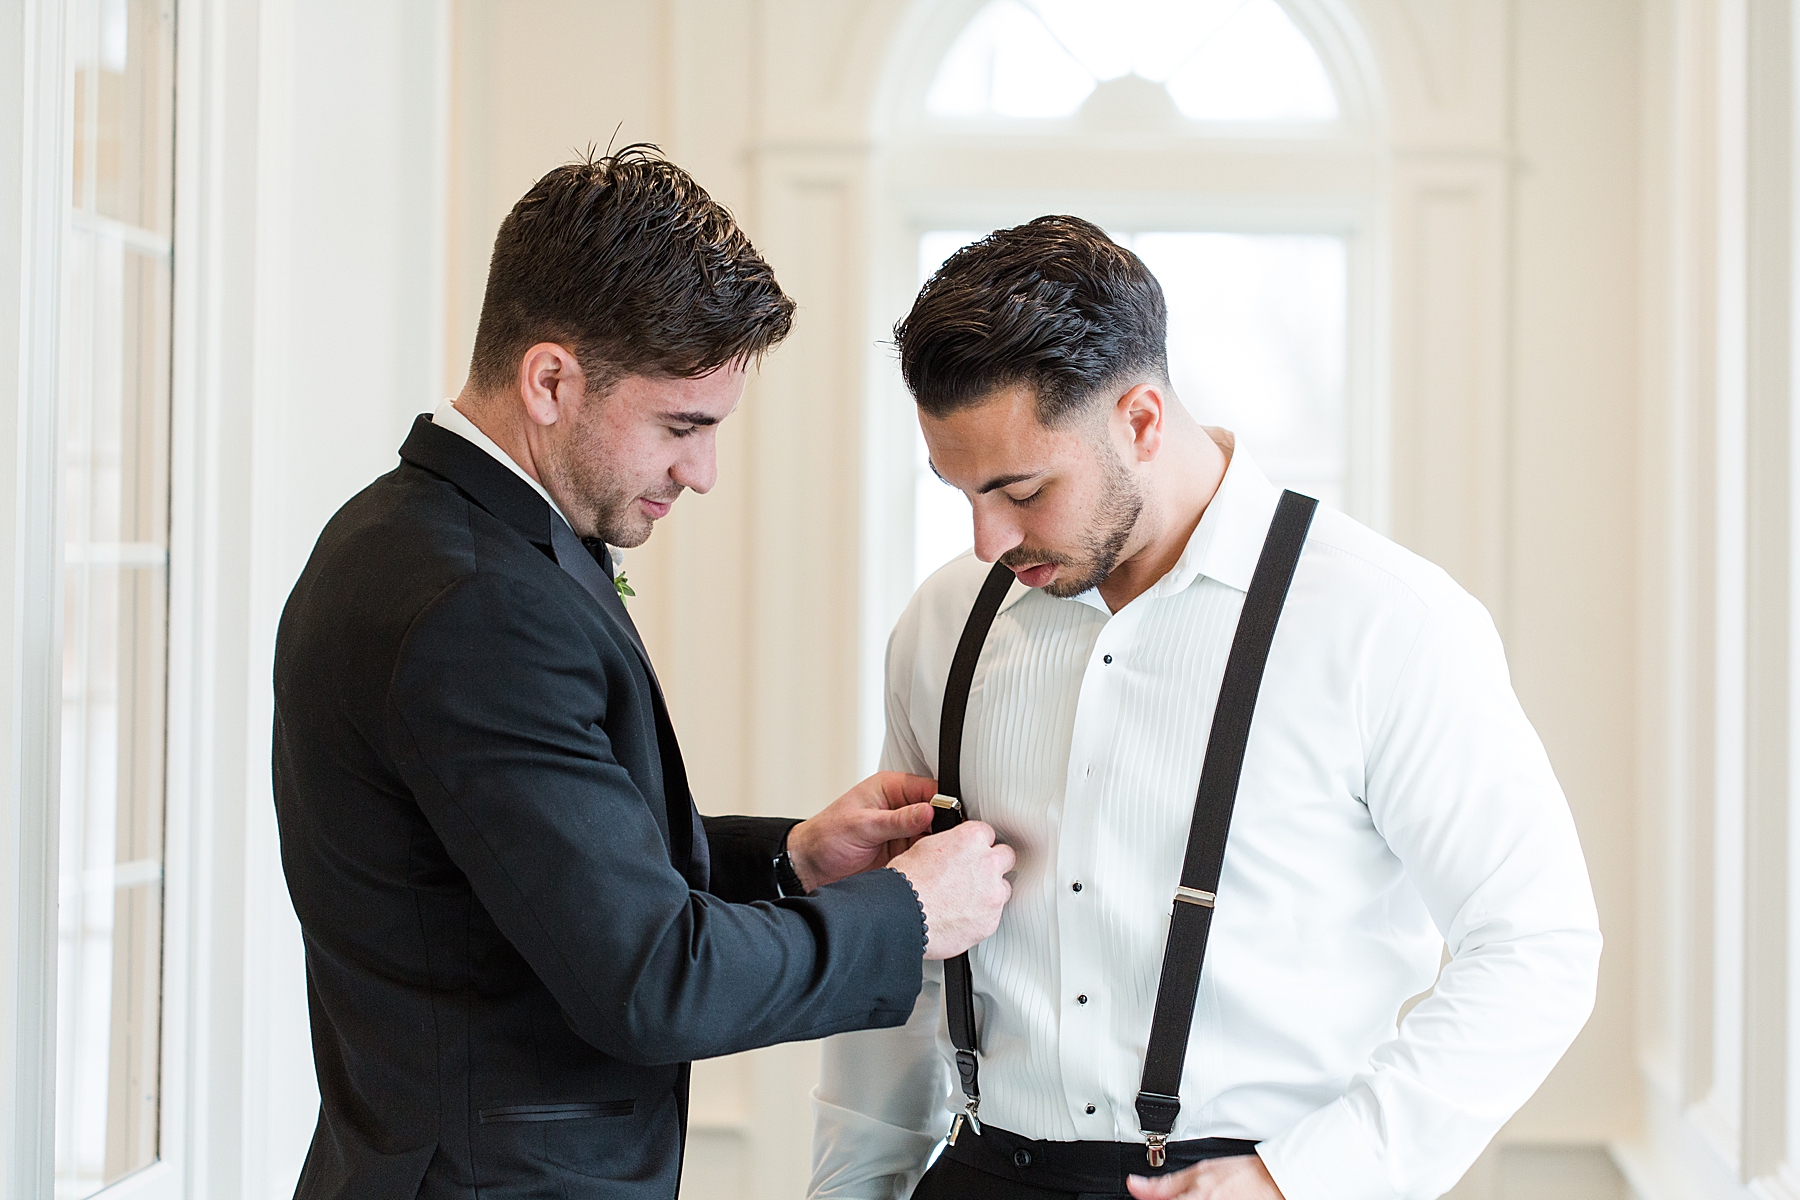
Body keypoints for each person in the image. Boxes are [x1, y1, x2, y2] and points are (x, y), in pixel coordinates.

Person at [271, 147, 1016, 1200]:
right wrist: (909, 913)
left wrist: (792, 859)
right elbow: (653, 980)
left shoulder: (412, 535)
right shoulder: (477, 603)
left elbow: (540, 873)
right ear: (550, 380)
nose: (701, 473)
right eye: (682, 426)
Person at [808, 216, 1601, 1200]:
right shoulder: (943, 625)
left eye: (1020, 489)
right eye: (961, 490)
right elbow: (910, 944)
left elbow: (1538, 944)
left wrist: (1303, 1180)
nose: (985, 539)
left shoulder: (1384, 621)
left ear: (1140, 420)